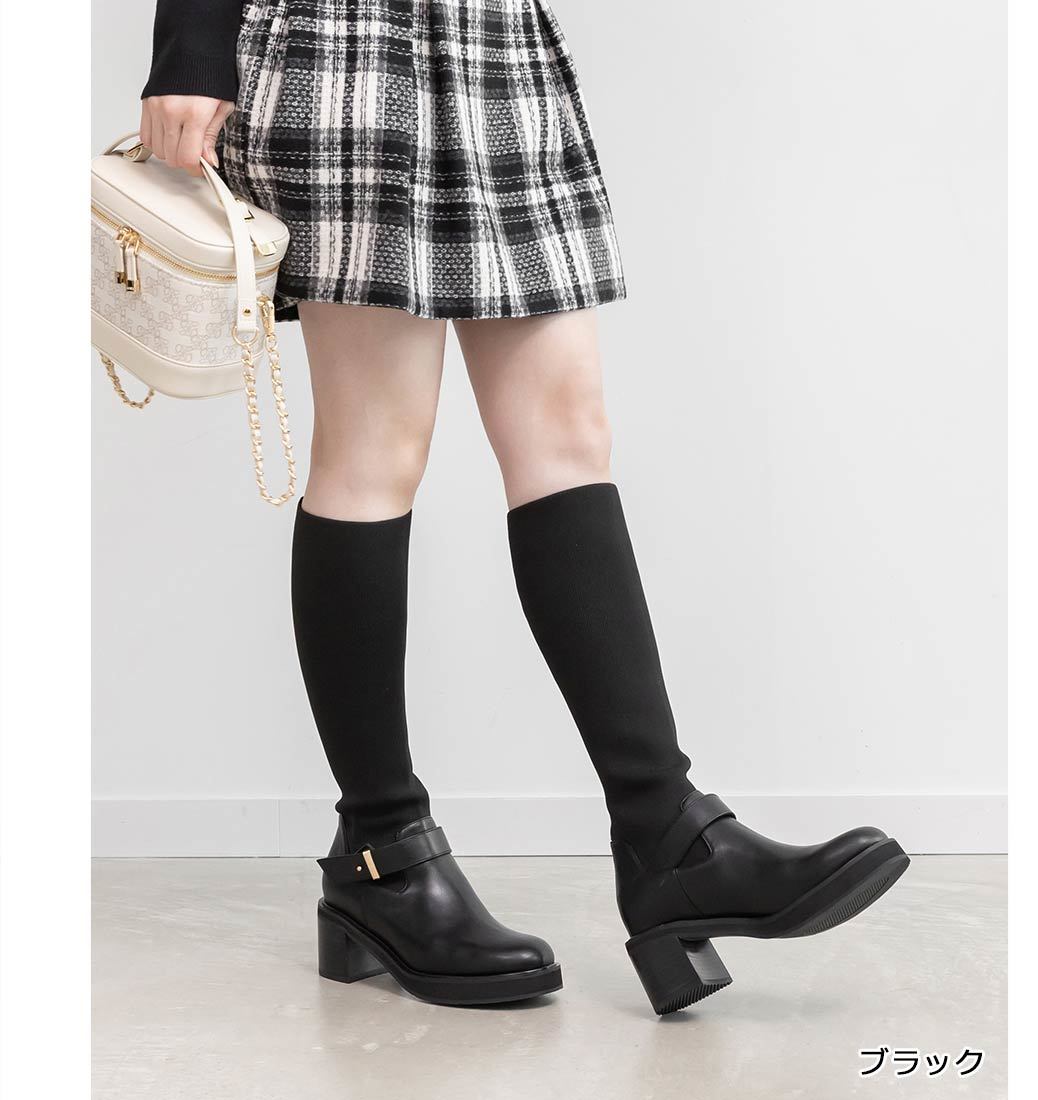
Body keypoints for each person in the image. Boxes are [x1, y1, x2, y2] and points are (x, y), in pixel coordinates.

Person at [139, 0, 909, 1014]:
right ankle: (382, 850)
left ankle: (667, 836)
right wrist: (190, 46)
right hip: (347, 41)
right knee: (373, 449)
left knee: (567, 438)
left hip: (494, 39)